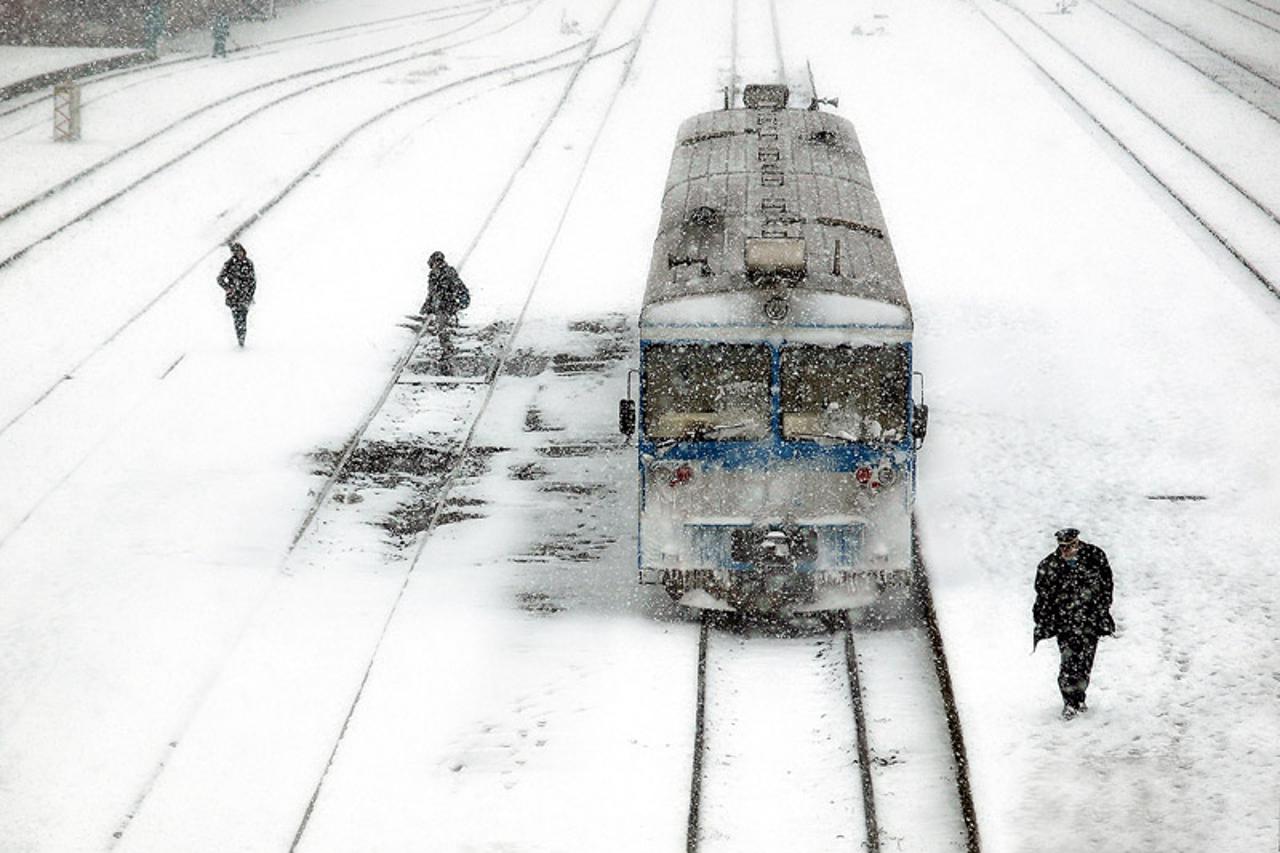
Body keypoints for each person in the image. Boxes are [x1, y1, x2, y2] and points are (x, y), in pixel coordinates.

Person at [1033, 528, 1115, 719]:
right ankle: (1070, 701)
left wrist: (1100, 609)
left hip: (1090, 620)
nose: (1066, 550)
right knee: (1069, 662)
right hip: (1066, 623)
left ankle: (1079, 697)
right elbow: (1043, 596)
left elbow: (1106, 585)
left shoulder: (1095, 556)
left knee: (1085, 662)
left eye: (1070, 546)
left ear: (1077, 542)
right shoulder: (1050, 565)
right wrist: (1043, 619)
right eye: (1062, 547)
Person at [420, 250, 469, 365]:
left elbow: (459, 287)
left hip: (447, 304)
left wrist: (459, 302)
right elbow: (432, 293)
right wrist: (427, 306)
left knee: (442, 327)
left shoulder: (448, 273)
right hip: (440, 305)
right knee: (440, 327)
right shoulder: (433, 276)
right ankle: (447, 349)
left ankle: (448, 350)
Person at [217, 242, 256, 347]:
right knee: (237, 318)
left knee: (243, 318)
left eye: (240, 252)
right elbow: (220, 278)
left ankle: (242, 338)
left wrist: (250, 294)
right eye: (236, 252)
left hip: (245, 296)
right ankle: (240, 338)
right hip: (234, 297)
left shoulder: (248, 263)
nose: (239, 254)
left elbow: (253, 281)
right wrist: (228, 288)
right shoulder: (229, 264)